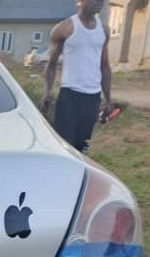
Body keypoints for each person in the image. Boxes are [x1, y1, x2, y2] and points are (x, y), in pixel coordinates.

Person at [39, 0, 113, 153]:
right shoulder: (64, 29)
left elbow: (105, 67)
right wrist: (47, 92)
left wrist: (108, 99)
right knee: (64, 146)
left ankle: (80, 174)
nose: (100, 2)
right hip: (69, 97)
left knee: (82, 147)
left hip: (92, 98)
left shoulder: (104, 30)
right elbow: (51, 64)